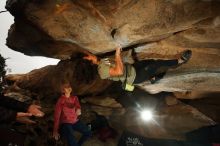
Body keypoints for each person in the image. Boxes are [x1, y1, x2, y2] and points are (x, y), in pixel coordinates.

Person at [74, 47, 192, 91]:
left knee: (152, 62)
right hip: (135, 76)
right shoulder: (101, 71)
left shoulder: (100, 61)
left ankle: (152, 79)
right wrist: (117, 55)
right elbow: (119, 71)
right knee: (157, 64)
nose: (89, 54)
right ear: (89, 61)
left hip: (133, 68)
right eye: (88, 56)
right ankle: (180, 61)